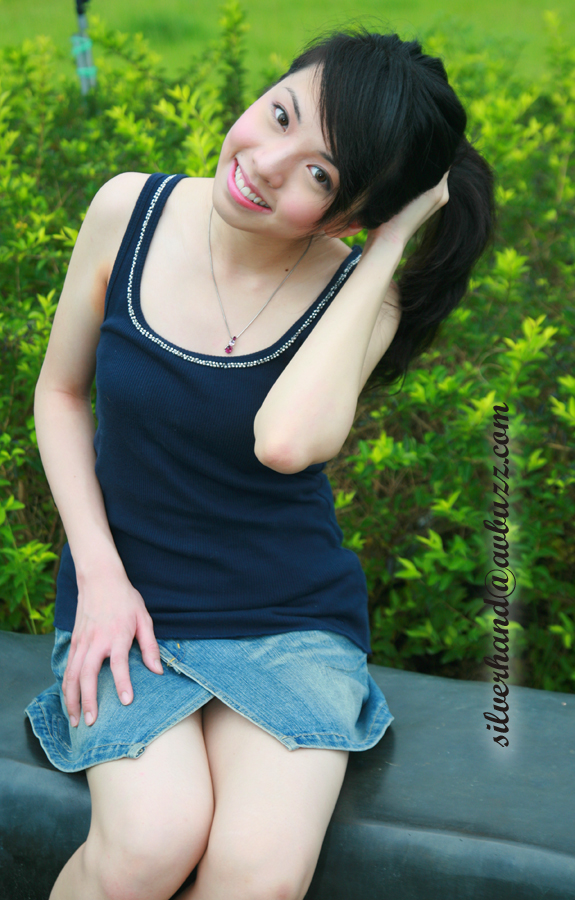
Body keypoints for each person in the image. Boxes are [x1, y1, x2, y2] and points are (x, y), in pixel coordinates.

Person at [25, 26, 494, 900]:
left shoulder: (359, 297)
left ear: (352, 213)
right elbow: (58, 394)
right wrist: (100, 578)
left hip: (289, 622)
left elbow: (284, 442)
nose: (267, 165)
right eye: (279, 115)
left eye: (320, 174)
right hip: (125, 602)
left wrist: (388, 246)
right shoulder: (128, 211)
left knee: (257, 875)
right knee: (146, 846)